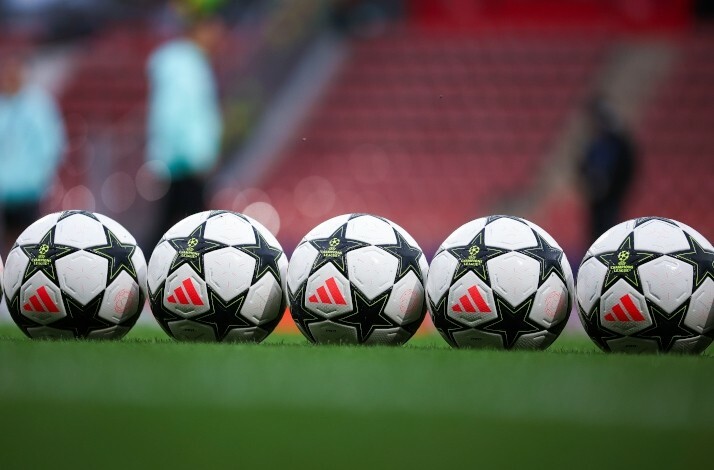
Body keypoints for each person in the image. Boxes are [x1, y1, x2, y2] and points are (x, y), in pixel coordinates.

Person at [146, 11, 224, 246]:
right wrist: (196, 155)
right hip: (186, 161)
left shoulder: (190, 64)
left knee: (176, 224)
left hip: (182, 160)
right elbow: (177, 113)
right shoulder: (186, 67)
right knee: (193, 227)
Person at [0, 53, 66, 249]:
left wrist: (41, 177)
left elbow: (51, 144)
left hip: (29, 189)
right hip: (4, 190)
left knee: (28, 241)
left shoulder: (39, 105)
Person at [578, 97, 637, 242]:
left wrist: (614, 186)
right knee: (595, 234)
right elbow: (582, 165)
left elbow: (627, 167)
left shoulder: (617, 143)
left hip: (612, 197)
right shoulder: (594, 142)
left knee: (610, 231)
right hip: (596, 199)